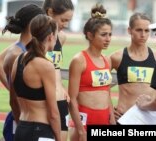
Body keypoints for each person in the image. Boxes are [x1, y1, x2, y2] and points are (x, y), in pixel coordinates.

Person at [109, 12, 156, 124]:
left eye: (147, 31)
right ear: (129, 30)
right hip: (124, 118)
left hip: (150, 119)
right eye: (139, 30)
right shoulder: (116, 57)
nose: (143, 35)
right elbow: (99, 88)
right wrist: (109, 111)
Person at [11, 14, 61, 141]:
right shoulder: (45, 66)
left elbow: (13, 102)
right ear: (51, 37)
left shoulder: (19, 59)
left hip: (21, 128)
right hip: (40, 130)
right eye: (56, 35)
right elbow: (54, 113)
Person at [68, 3, 114, 141]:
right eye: (104, 35)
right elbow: (72, 99)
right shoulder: (79, 60)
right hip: (83, 121)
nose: (108, 39)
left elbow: (107, 91)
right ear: (90, 35)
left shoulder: (106, 60)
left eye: (110, 34)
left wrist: (111, 116)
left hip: (104, 118)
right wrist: (81, 130)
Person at [0, 4, 44, 141]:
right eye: (42, 21)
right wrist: (22, 126)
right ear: (33, 23)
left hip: (26, 119)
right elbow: (14, 100)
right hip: (20, 120)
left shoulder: (18, 49)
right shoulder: (16, 53)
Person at [43, 0, 74, 140]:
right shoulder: (34, 38)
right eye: (63, 20)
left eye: (68, 21)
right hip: (42, 102)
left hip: (61, 100)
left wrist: (61, 86)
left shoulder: (61, 38)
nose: (65, 25)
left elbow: (56, 68)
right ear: (50, 12)